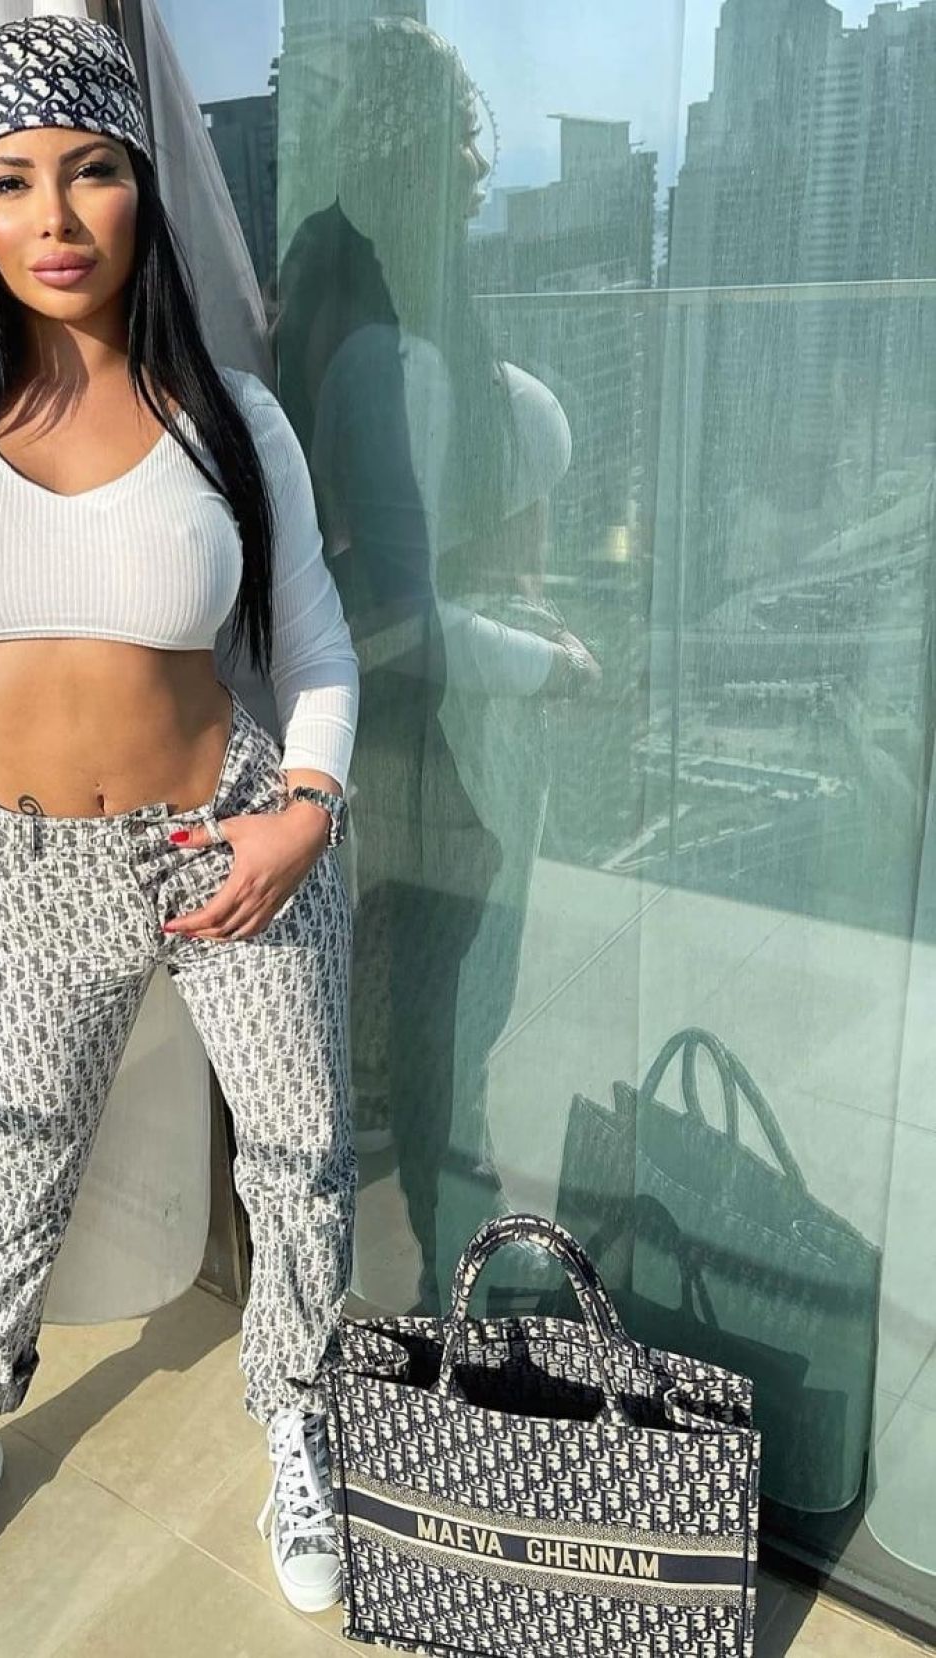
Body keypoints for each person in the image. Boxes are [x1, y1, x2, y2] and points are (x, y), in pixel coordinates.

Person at [0, 15, 359, 1629]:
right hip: (26, 855)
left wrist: (304, 816)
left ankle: (299, 1414)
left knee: (300, 1152)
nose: (52, 217)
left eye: (91, 171)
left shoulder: (227, 417)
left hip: (230, 833)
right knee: (15, 1155)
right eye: (9, 181)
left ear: (140, 190)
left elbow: (316, 649)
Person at [275, 17, 597, 1318]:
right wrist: (549, 668)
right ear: (417, 154)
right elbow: (403, 614)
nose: (476, 168)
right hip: (431, 737)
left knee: (415, 1012)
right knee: (449, 1015)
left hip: (396, 732)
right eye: (459, 140)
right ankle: (441, 1297)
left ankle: (416, 1267)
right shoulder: (390, 347)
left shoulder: (343, 303)